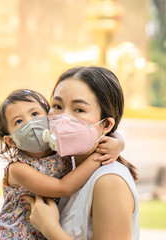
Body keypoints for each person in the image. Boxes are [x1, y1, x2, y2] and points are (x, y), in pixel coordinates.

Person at [0, 88, 125, 239]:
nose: (31, 123)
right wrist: (99, 155)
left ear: (50, 117)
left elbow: (101, 129)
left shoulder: (61, 148)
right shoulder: (18, 168)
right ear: (11, 140)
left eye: (35, 114)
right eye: (19, 121)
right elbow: (62, 188)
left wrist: (119, 143)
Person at [25, 66, 139, 240]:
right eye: (57, 106)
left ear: (107, 125)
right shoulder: (66, 169)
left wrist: (49, 228)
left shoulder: (110, 182)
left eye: (79, 109)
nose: (63, 119)